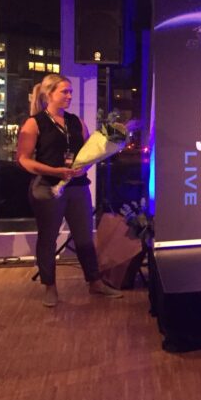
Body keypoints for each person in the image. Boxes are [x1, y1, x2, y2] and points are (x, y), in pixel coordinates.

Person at [16, 74, 122, 307]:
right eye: (64, 91)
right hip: (47, 187)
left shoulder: (76, 122)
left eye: (71, 92)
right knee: (48, 239)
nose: (69, 96)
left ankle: (95, 282)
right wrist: (55, 171)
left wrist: (86, 167)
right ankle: (50, 287)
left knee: (84, 237)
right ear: (49, 94)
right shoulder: (34, 123)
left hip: (77, 187)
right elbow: (23, 159)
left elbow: (88, 153)